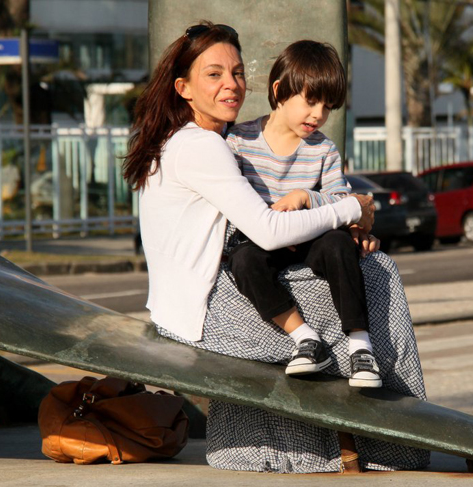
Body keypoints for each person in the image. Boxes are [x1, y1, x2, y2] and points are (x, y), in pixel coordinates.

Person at [124, 21, 429, 474]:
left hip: (189, 297)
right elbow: (266, 231)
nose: (231, 84)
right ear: (183, 87)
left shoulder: (192, 140)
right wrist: (351, 210)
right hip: (206, 312)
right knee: (378, 276)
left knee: (355, 268)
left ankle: (341, 416)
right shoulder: (207, 146)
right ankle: (390, 438)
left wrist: (341, 208)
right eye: (214, 74)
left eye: (237, 72)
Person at [226, 40, 381, 388]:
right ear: (280, 91)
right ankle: (306, 338)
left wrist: (306, 198)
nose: (318, 115)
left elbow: (341, 200)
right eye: (310, 101)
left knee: (339, 244)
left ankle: (361, 346)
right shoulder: (239, 142)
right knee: (243, 260)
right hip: (261, 243)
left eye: (327, 107)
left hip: (311, 241)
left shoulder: (323, 149)